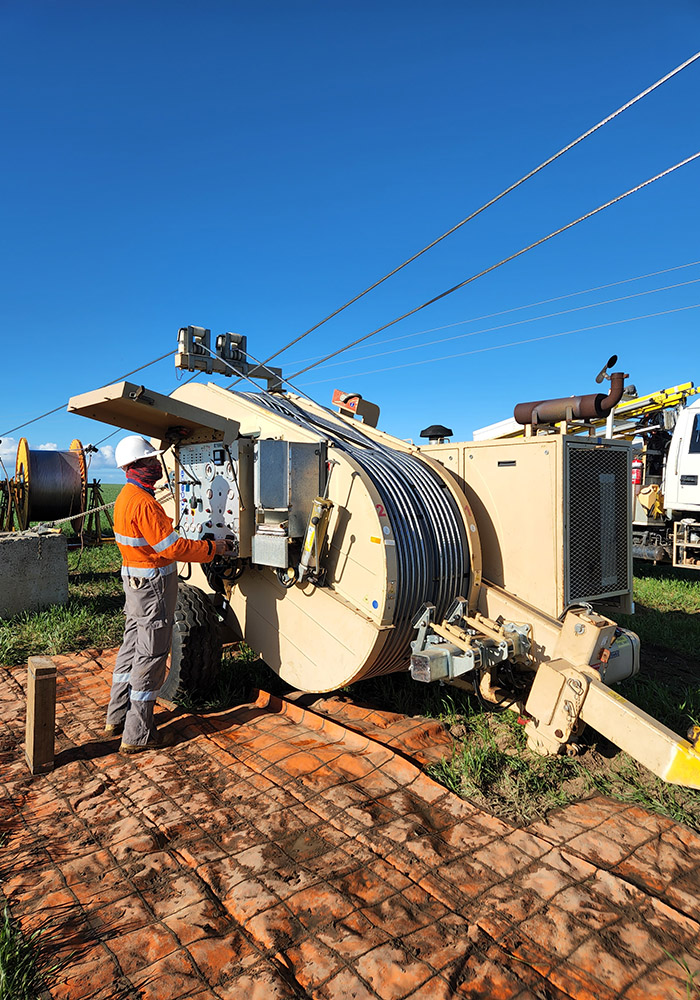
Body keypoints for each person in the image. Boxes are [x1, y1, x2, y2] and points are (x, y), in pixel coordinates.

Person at [106, 435, 233, 754]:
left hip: (134, 584)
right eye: (150, 460)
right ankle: (138, 735)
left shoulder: (125, 497)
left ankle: (116, 717)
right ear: (136, 466)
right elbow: (172, 547)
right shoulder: (144, 503)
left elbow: (150, 538)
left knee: (131, 647)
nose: (156, 465)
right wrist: (212, 548)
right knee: (151, 655)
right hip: (153, 588)